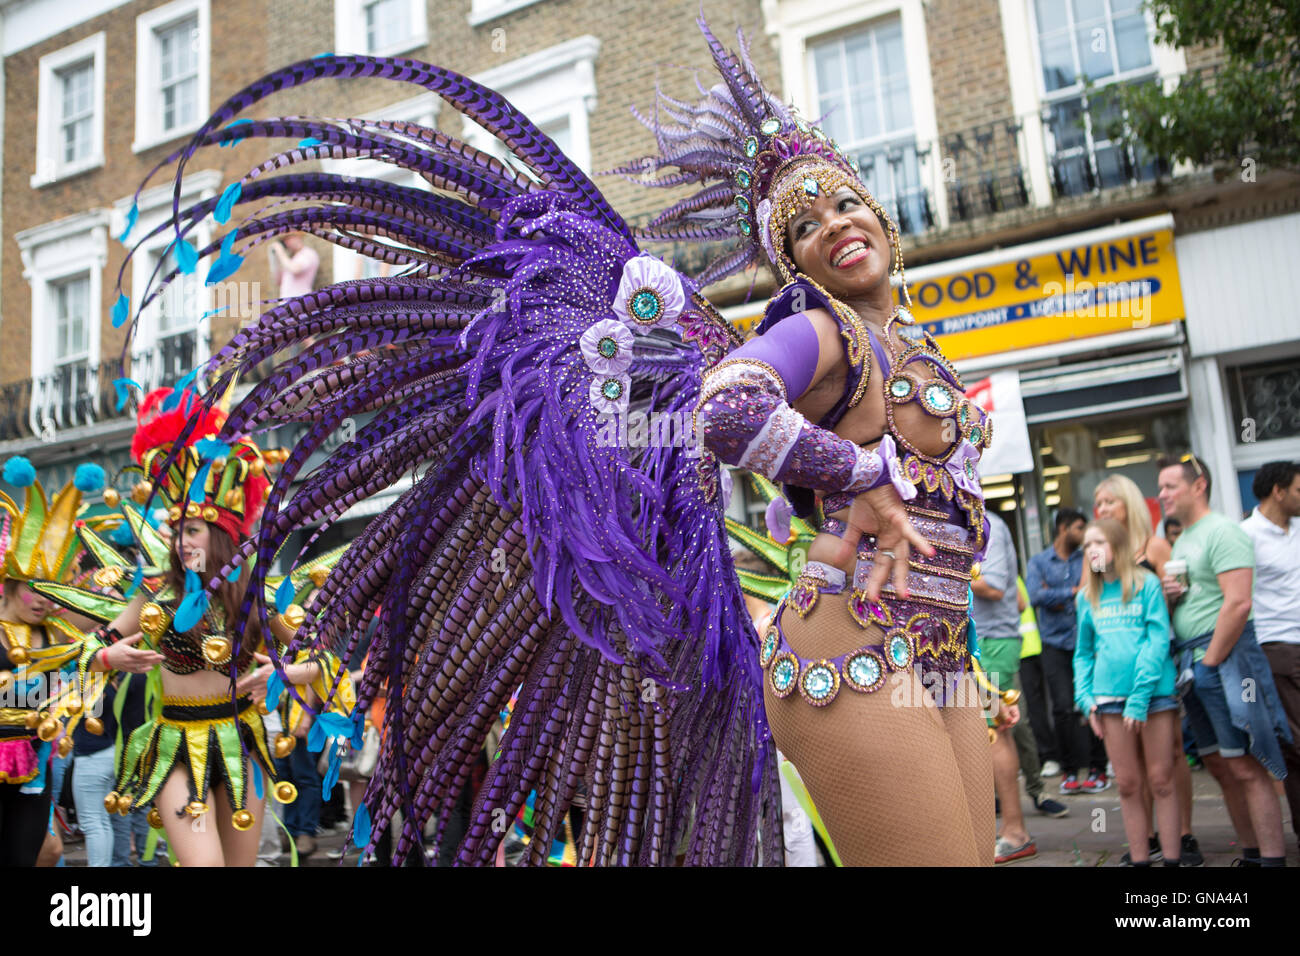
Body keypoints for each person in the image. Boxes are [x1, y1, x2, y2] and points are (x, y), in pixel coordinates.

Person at [115, 20, 1003, 865]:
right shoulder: (824, 334)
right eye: (804, 226)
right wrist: (859, 475)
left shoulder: (915, 341)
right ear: (791, 264)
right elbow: (729, 408)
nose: (835, 223)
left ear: (882, 215)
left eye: (847, 203)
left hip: (948, 645)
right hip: (854, 641)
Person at [49, 390, 351, 867]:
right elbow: (88, 646)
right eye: (177, 529)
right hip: (176, 748)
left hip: (241, 744)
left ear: (223, 534)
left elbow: (328, 663)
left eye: (193, 529)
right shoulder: (155, 593)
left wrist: (286, 675)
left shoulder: (257, 598)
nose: (180, 540)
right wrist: (111, 657)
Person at [1157, 454, 1291, 866]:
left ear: (1199, 486)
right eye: (1160, 487)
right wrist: (1171, 597)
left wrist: (1210, 664)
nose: (1161, 495)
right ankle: (1251, 854)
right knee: (1220, 765)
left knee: (1248, 765)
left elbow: (1238, 604)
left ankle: (1272, 859)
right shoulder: (1184, 538)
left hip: (1223, 660)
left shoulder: (1224, 531)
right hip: (1195, 664)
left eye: (1169, 486)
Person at [1094, 473, 1202, 865]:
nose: (1103, 509)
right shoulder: (1100, 552)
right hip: (1119, 668)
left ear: (1128, 504)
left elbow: (1175, 603)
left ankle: (1184, 834)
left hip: (1159, 657)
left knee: (1172, 752)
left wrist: (1173, 595)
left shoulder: (1154, 545)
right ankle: (1148, 837)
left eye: (1110, 502)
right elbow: (1093, 606)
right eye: (1099, 504)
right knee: (1132, 761)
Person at [1074, 519, 1181, 866]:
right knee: (1128, 785)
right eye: (1088, 544)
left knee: (1161, 781)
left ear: (1118, 546)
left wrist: (1140, 697)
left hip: (1153, 697)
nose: (1092, 550)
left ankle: (1172, 860)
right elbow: (1083, 655)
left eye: (1100, 542)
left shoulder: (1147, 585)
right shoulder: (1086, 598)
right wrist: (1086, 700)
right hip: (1108, 701)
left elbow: (1157, 640)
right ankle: (1139, 861)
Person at [972, 513, 1069, 865]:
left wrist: (938, 576)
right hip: (966, 643)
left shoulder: (988, 525)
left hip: (992, 643)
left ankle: (1016, 833)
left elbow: (996, 587)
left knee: (997, 730)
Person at [1027, 507, 1109, 794]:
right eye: (1078, 528)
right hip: (1054, 645)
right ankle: (1070, 772)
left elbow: (1095, 588)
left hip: (1086, 643)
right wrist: (1071, 592)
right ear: (1062, 528)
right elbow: (1035, 595)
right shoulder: (1038, 562)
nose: (1084, 534)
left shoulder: (1089, 558)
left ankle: (1099, 767)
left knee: (1094, 703)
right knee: (1062, 708)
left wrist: (1062, 595)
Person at [1241, 461, 1300, 852]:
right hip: (1277, 648)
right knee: (1296, 745)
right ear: (1278, 491)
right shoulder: (1245, 535)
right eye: (1298, 488)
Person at [1017, 576, 1058, 775]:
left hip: (1023, 651)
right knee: (999, 715)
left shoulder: (988, 564)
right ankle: (1022, 763)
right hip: (991, 655)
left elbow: (1020, 603)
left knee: (1031, 710)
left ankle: (1047, 757)